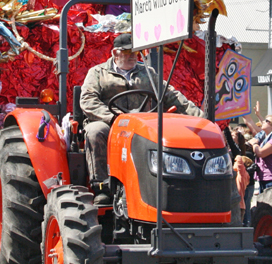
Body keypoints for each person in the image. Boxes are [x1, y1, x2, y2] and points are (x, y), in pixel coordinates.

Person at [80, 33, 203, 205]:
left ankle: (161, 186)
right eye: (127, 52)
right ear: (115, 53)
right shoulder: (98, 73)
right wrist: (113, 117)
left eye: (135, 52)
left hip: (142, 123)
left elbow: (171, 95)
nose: (132, 56)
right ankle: (102, 186)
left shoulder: (148, 73)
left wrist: (201, 119)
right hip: (111, 122)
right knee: (95, 131)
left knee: (166, 134)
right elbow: (88, 100)